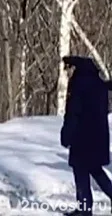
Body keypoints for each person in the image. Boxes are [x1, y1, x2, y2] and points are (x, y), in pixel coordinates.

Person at [60, 55, 112, 215]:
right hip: (98, 136)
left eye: (67, 69)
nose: (67, 73)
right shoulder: (98, 84)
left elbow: (73, 113)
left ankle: (85, 209)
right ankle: (85, 208)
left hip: (81, 137)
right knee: (95, 170)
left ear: (74, 68)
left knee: (80, 170)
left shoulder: (78, 85)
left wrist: (66, 134)